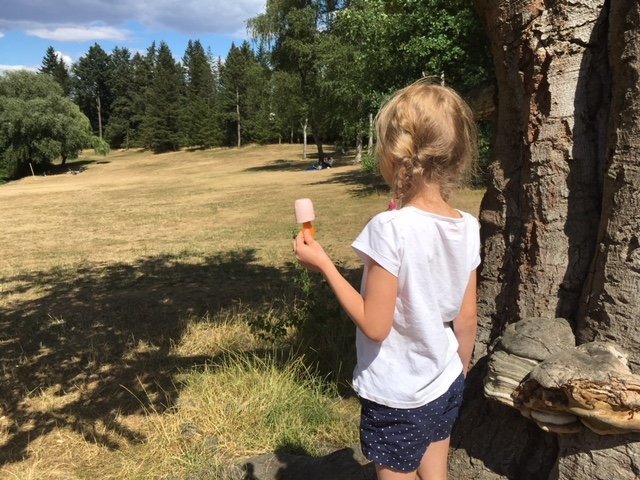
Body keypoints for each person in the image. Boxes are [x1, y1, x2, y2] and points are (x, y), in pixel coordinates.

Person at [294, 80, 480, 480]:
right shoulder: (467, 226)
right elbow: (466, 319)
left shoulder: (388, 228)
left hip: (398, 395)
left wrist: (325, 264)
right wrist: (459, 373)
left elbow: (376, 326)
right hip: (446, 379)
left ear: (395, 155)